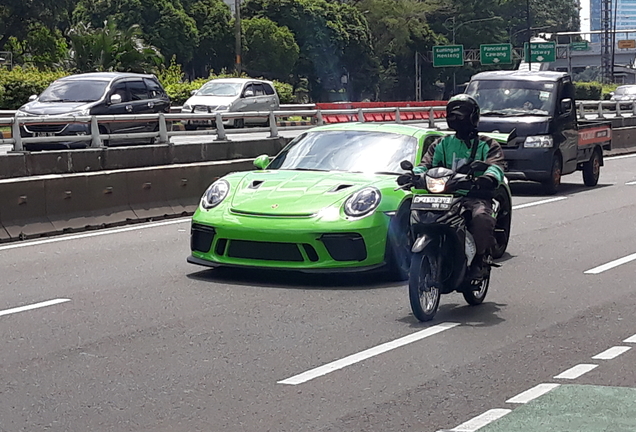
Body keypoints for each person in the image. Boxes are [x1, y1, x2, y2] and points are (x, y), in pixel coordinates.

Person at [399, 94, 506, 280]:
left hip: (473, 195)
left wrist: (487, 177)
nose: (457, 118)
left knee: (481, 217)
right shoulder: (441, 143)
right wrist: (413, 175)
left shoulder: (487, 144)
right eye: (453, 114)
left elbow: (496, 166)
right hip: (442, 197)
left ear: (473, 117)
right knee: (409, 210)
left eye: (461, 114)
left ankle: (479, 260)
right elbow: (426, 165)